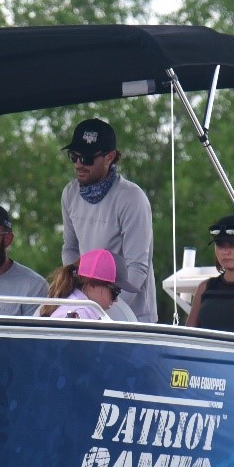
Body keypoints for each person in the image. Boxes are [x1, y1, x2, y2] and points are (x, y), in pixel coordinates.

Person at [60, 117, 157, 323]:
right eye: (73, 156)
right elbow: (70, 249)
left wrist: (106, 311)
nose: (78, 164)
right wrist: (79, 297)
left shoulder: (132, 197)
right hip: (89, 309)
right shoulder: (69, 193)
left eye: (86, 158)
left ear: (109, 157)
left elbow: (138, 267)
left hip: (133, 316)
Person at [41, 249, 135, 320]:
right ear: (91, 286)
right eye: (115, 292)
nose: (116, 300)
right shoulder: (80, 314)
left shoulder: (74, 306)